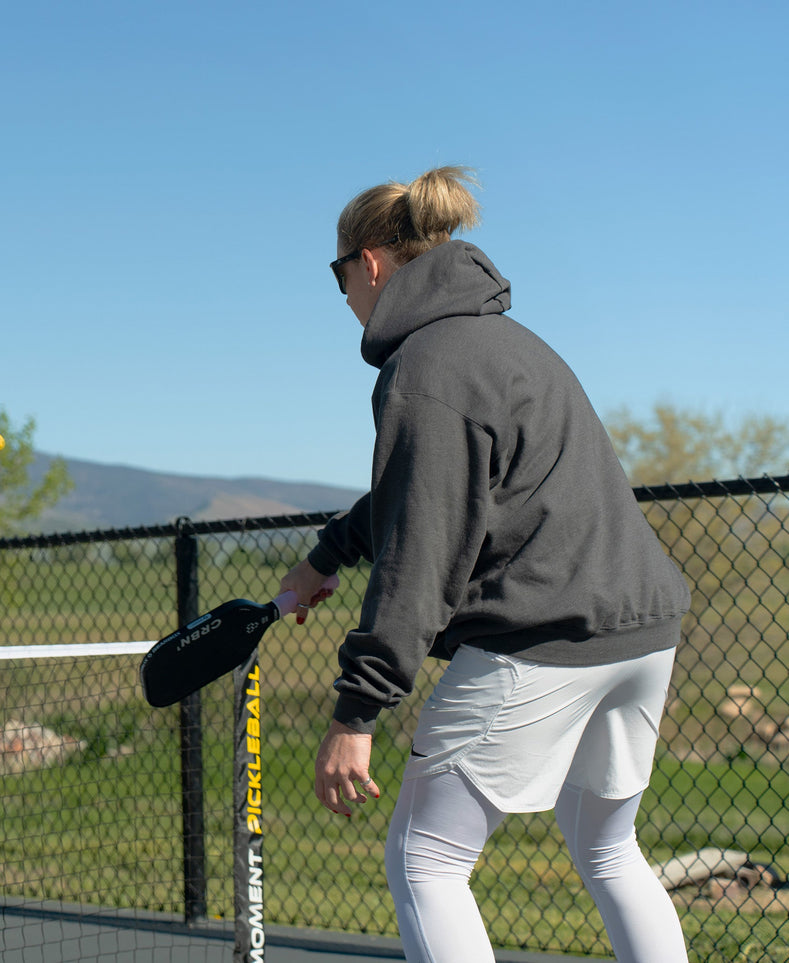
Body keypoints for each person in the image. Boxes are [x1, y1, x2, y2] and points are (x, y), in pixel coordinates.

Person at [278, 167, 691, 962]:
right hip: (640, 632)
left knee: (425, 858)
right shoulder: (509, 344)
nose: (344, 299)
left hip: (541, 641)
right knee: (608, 851)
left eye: (338, 278)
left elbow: (420, 553)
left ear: (368, 263)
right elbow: (434, 491)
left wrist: (355, 713)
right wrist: (324, 556)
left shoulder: (425, 368)